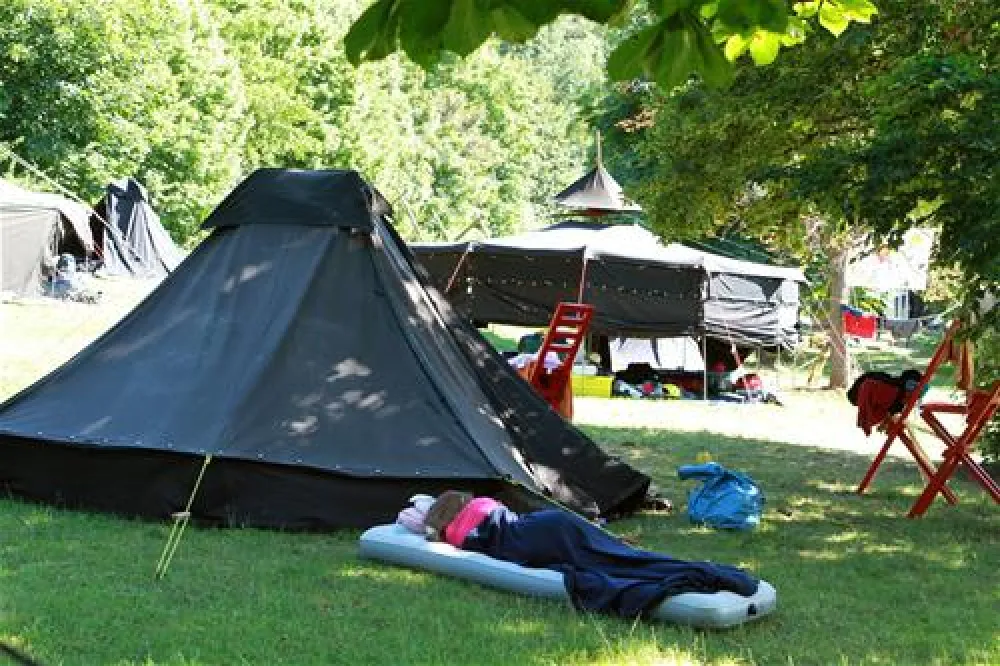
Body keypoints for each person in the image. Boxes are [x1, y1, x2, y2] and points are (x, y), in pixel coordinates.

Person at [397, 491, 759, 619]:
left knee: (613, 568)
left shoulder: (458, 537)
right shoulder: (482, 507)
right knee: (620, 557)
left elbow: (417, 523)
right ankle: (711, 573)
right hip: (547, 526)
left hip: (538, 539)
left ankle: (702, 575)